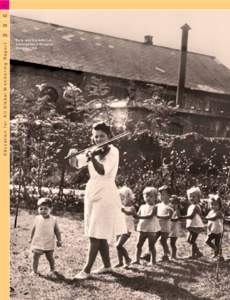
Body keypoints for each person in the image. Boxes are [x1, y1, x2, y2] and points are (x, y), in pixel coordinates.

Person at [68, 121, 127, 279]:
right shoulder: (92, 150)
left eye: (102, 136)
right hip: (92, 190)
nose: (99, 139)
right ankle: (107, 266)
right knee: (97, 230)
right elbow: (75, 164)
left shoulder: (113, 150)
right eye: (96, 136)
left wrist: (92, 158)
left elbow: (103, 171)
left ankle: (86, 270)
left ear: (108, 136)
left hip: (106, 192)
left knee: (95, 232)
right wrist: (72, 154)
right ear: (92, 137)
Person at [29, 197, 62, 276]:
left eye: (46, 209)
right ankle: (34, 271)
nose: (43, 211)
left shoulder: (53, 219)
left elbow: (57, 231)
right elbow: (33, 229)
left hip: (48, 241)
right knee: (35, 257)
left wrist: (59, 240)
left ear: (51, 209)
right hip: (38, 241)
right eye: (41, 209)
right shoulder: (37, 218)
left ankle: (52, 269)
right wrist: (30, 238)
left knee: (50, 257)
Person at [132, 187, 160, 266]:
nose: (148, 198)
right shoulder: (142, 206)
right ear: (143, 197)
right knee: (139, 244)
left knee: (151, 245)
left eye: (151, 196)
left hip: (151, 229)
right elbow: (137, 215)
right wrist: (134, 214)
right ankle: (137, 260)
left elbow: (150, 216)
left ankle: (153, 261)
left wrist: (138, 217)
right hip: (142, 228)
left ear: (155, 197)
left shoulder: (155, 207)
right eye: (146, 196)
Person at [114, 186, 136, 268]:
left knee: (118, 245)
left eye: (123, 197)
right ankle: (120, 262)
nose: (121, 199)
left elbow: (129, 213)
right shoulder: (121, 206)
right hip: (119, 227)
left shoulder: (132, 207)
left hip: (127, 229)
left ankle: (128, 259)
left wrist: (123, 210)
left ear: (128, 197)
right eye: (120, 197)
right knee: (117, 246)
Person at [181, 187, 204, 259]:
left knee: (192, 240)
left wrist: (181, 217)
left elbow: (191, 216)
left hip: (196, 226)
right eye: (190, 196)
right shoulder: (191, 206)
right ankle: (198, 252)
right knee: (189, 240)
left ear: (198, 197)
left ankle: (194, 254)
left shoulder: (196, 207)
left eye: (194, 196)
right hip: (192, 225)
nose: (191, 198)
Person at [155, 185, 173, 262]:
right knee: (153, 239)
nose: (161, 196)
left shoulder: (170, 205)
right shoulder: (158, 205)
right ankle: (148, 253)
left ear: (169, 196)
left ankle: (166, 255)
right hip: (158, 226)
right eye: (160, 194)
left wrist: (158, 216)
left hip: (165, 227)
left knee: (162, 241)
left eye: (163, 194)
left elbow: (169, 216)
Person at [205, 195, 224, 259]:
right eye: (212, 204)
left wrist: (206, 218)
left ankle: (218, 254)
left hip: (218, 231)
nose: (213, 206)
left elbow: (213, 218)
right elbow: (208, 217)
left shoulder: (219, 213)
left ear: (219, 205)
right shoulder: (211, 212)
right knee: (207, 241)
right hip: (212, 230)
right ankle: (216, 250)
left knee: (217, 243)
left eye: (216, 204)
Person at [169, 195, 182, 260]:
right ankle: (171, 255)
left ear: (178, 204)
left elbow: (178, 218)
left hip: (175, 228)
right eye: (172, 203)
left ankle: (173, 256)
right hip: (171, 227)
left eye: (175, 203)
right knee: (170, 242)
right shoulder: (170, 210)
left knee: (172, 243)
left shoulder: (177, 211)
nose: (173, 205)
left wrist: (170, 219)